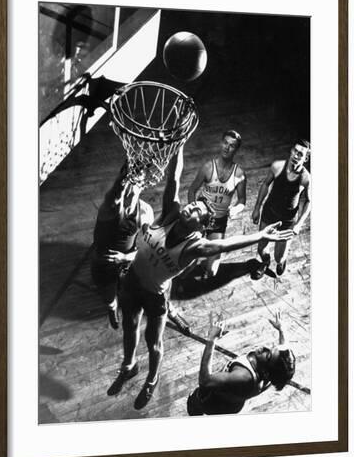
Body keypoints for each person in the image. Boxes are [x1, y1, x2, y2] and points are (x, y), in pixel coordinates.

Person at [107, 146, 293, 409]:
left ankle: (152, 378)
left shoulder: (196, 247)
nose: (192, 207)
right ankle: (129, 366)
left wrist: (261, 236)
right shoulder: (170, 213)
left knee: (154, 343)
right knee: (129, 327)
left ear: (201, 226)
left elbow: (225, 246)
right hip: (132, 281)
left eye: (197, 211)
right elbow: (174, 178)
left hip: (154, 294)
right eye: (194, 203)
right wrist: (180, 145)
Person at [187, 309, 296, 415]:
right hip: (234, 404)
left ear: (266, 372)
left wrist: (212, 339)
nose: (264, 348)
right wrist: (281, 329)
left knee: (195, 404)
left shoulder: (243, 376)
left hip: (212, 401)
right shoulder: (275, 374)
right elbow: (283, 353)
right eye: (272, 347)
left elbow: (205, 381)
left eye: (268, 355)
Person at [90, 163, 153, 329]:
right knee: (109, 299)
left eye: (137, 182)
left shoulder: (145, 211)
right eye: (128, 181)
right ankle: (112, 309)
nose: (131, 186)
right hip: (103, 264)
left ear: (144, 184)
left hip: (127, 261)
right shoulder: (109, 207)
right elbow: (115, 194)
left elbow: (149, 248)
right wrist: (123, 178)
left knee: (133, 290)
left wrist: (125, 257)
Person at [188, 130, 246, 277]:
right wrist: (194, 211)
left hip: (219, 221)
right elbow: (192, 190)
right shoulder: (208, 167)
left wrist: (236, 209)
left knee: (212, 272)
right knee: (188, 262)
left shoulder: (239, 174)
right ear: (221, 143)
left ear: (236, 149)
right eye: (225, 143)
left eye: (232, 145)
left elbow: (242, 201)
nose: (227, 147)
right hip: (201, 217)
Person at [251, 139, 311, 279]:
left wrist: (299, 224)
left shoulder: (306, 178)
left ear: (306, 158)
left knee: (279, 256)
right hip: (269, 213)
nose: (296, 155)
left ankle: (281, 261)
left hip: (287, 220)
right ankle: (265, 262)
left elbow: (309, 201)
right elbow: (265, 185)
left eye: (300, 154)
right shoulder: (277, 166)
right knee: (261, 248)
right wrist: (257, 208)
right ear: (291, 151)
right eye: (295, 151)